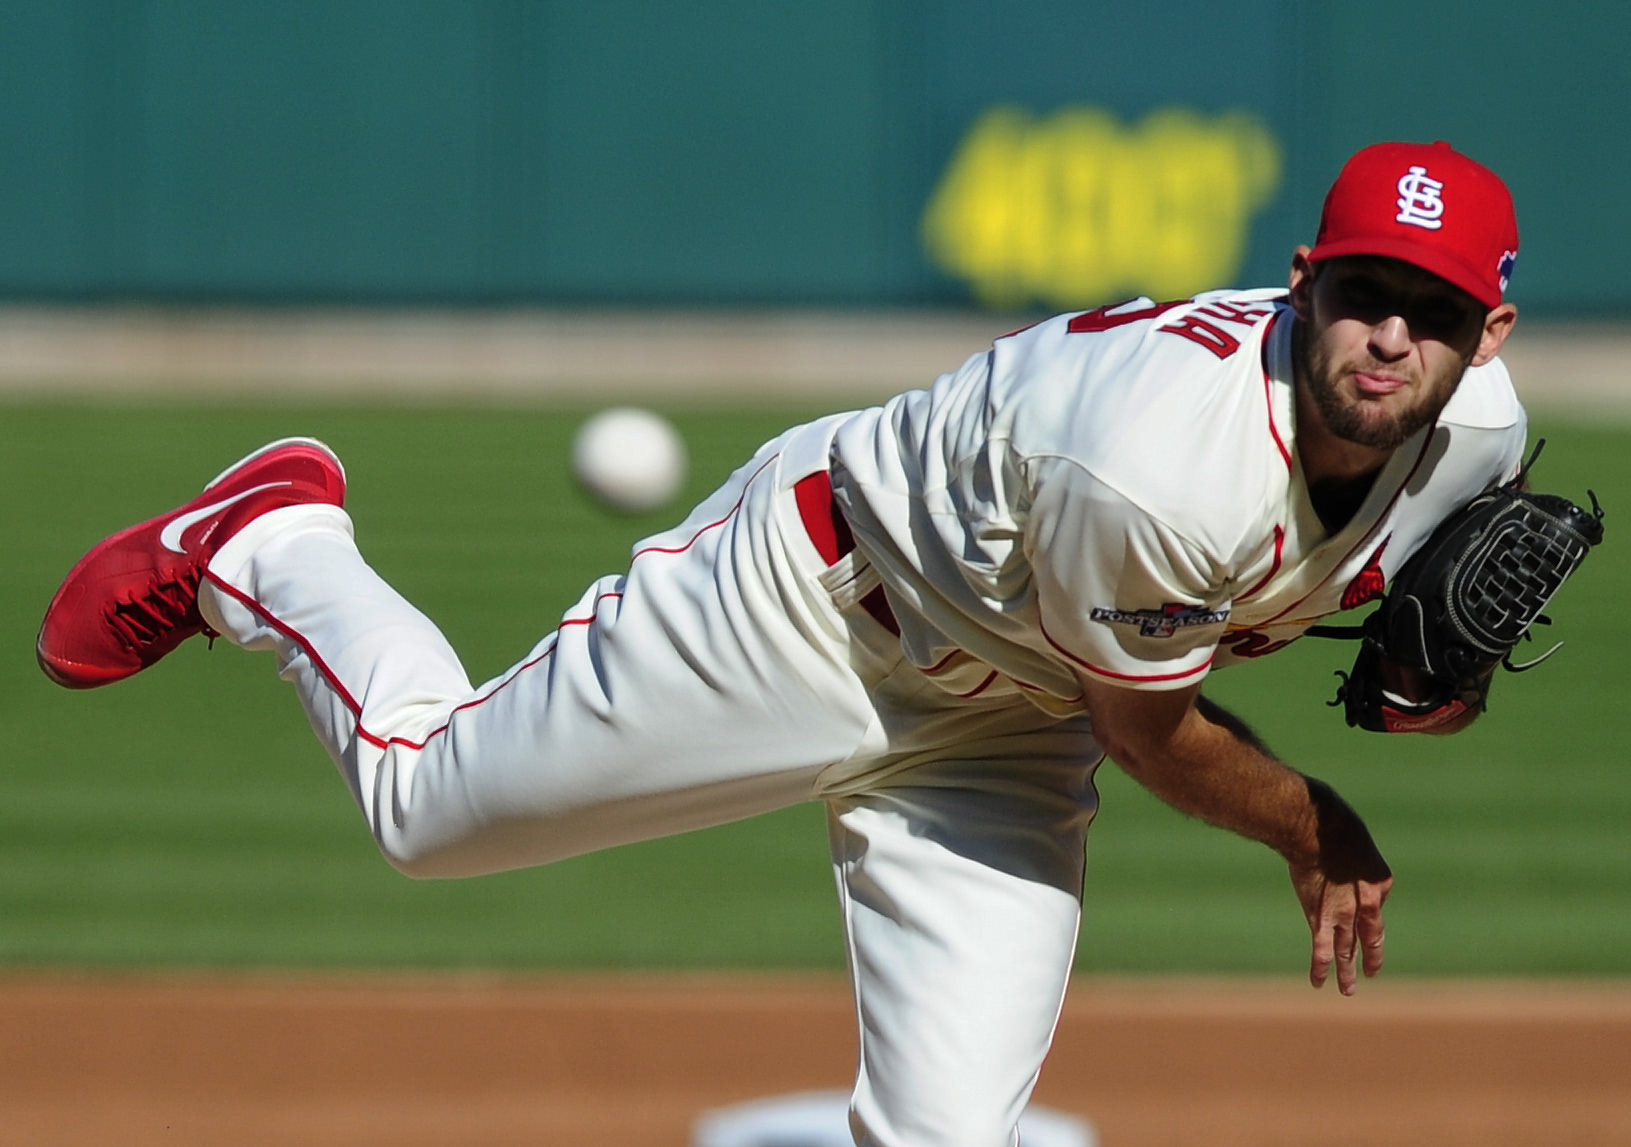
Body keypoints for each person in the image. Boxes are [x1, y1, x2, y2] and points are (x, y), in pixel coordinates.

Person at [37, 139, 1525, 1147]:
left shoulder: (1479, 444)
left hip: (1004, 726)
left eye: (1433, 313)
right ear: (1302, 281)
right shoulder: (1154, 460)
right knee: (427, 812)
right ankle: (272, 540)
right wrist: (1314, 821)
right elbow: (1150, 734)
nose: (1390, 339)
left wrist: (1422, 693)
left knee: (950, 1135)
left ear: (1491, 337)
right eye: (1362, 295)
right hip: (804, 609)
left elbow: (1400, 686)